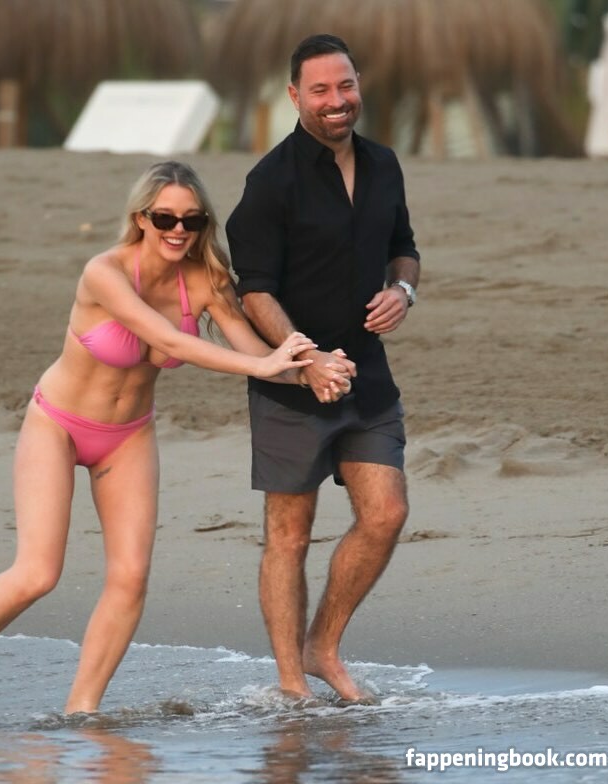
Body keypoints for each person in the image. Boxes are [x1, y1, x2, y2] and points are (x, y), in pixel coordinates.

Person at [0, 160, 339, 728]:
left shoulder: (204, 279)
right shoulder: (104, 272)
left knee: (129, 577)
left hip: (127, 436)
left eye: (193, 220)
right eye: (165, 218)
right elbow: (171, 340)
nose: (179, 230)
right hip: (58, 423)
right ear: (141, 218)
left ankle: (82, 711)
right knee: (37, 573)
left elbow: (255, 352)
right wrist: (266, 363)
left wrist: (313, 370)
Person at [226, 34, 421, 703]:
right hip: (292, 384)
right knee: (289, 534)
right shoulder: (270, 182)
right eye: (320, 90)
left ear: (358, 86)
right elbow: (254, 292)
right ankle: (292, 685)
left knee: (386, 513)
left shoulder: (384, 164)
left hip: (368, 377)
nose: (336, 101)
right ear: (294, 96)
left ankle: (323, 646)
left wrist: (403, 291)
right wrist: (306, 360)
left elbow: (404, 246)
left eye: (345, 86)